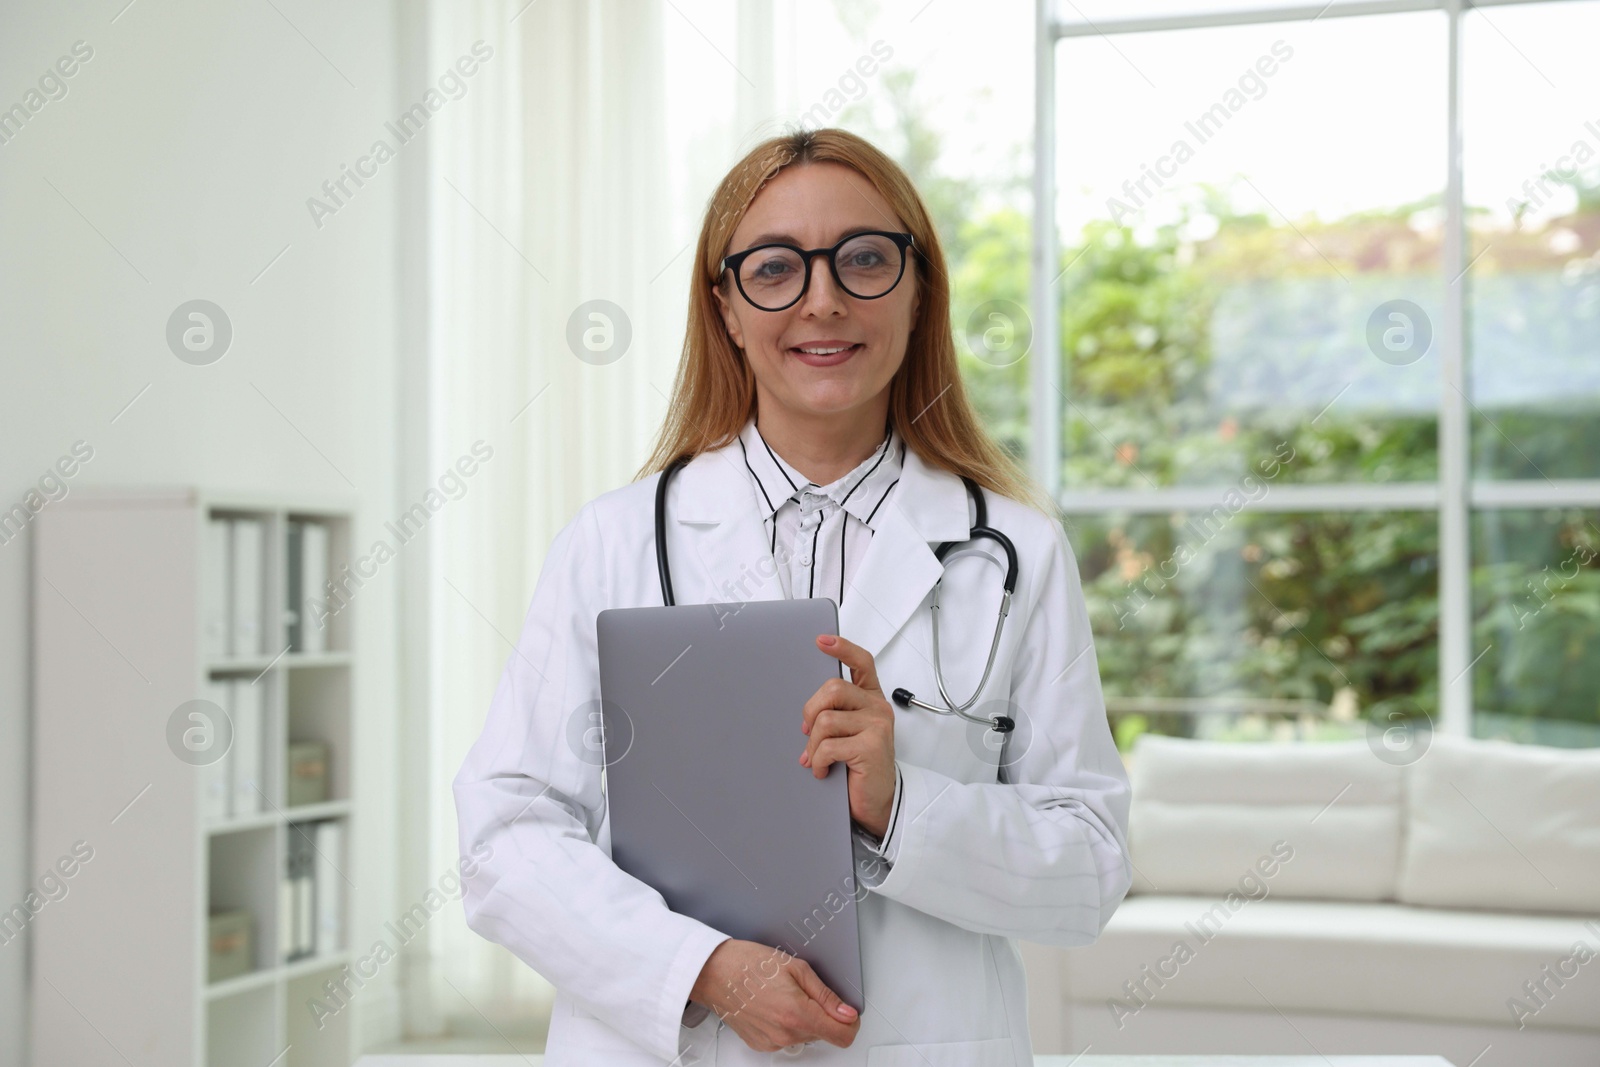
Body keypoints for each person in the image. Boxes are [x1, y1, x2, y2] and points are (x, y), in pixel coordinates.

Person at [453, 126, 1131, 1066]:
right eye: (775, 268)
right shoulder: (611, 543)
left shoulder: (1016, 551)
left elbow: (1089, 870)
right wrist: (703, 969)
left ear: (918, 288)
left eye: (863, 259)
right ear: (726, 306)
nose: (823, 300)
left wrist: (900, 804)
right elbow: (504, 838)